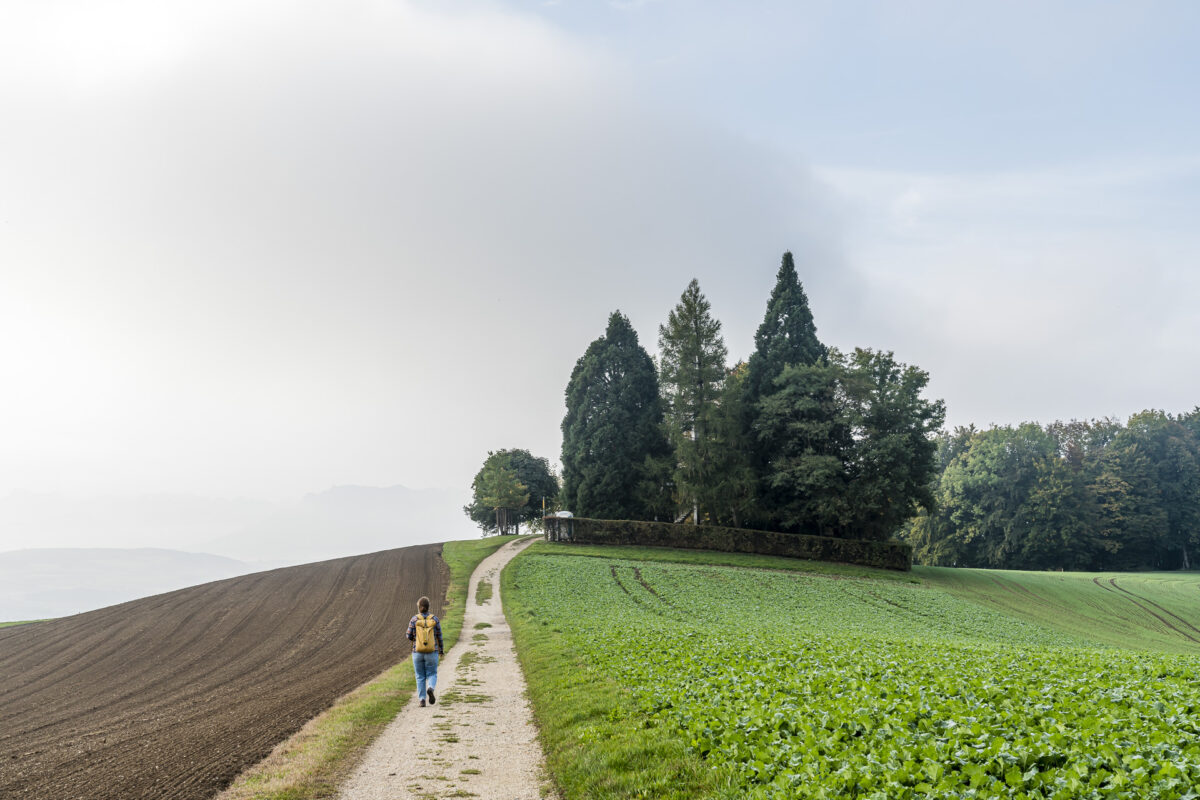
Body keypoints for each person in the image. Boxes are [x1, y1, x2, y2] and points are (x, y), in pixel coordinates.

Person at [406, 595, 444, 707]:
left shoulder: (414, 619)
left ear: (419, 607)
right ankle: (430, 688)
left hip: (417, 652)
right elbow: (439, 636)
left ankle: (422, 700)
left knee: (420, 676)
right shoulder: (435, 619)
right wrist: (441, 650)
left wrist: (416, 638)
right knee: (432, 673)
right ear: (428, 607)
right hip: (432, 651)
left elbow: (408, 635)